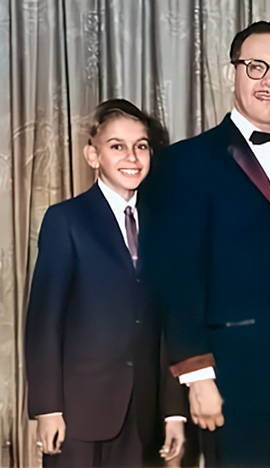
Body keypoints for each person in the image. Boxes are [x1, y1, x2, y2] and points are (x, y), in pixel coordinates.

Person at [139, 21, 270, 467]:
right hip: (233, 380)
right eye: (256, 67)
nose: (269, 81)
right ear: (232, 72)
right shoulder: (185, 163)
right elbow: (174, 280)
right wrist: (197, 377)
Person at [24, 99, 186, 467]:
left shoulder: (164, 227)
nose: (132, 156)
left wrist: (173, 412)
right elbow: (44, 322)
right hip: (77, 413)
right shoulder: (66, 220)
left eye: (141, 146)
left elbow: (168, 327)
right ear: (93, 156)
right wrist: (48, 408)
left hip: (140, 414)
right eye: (117, 146)